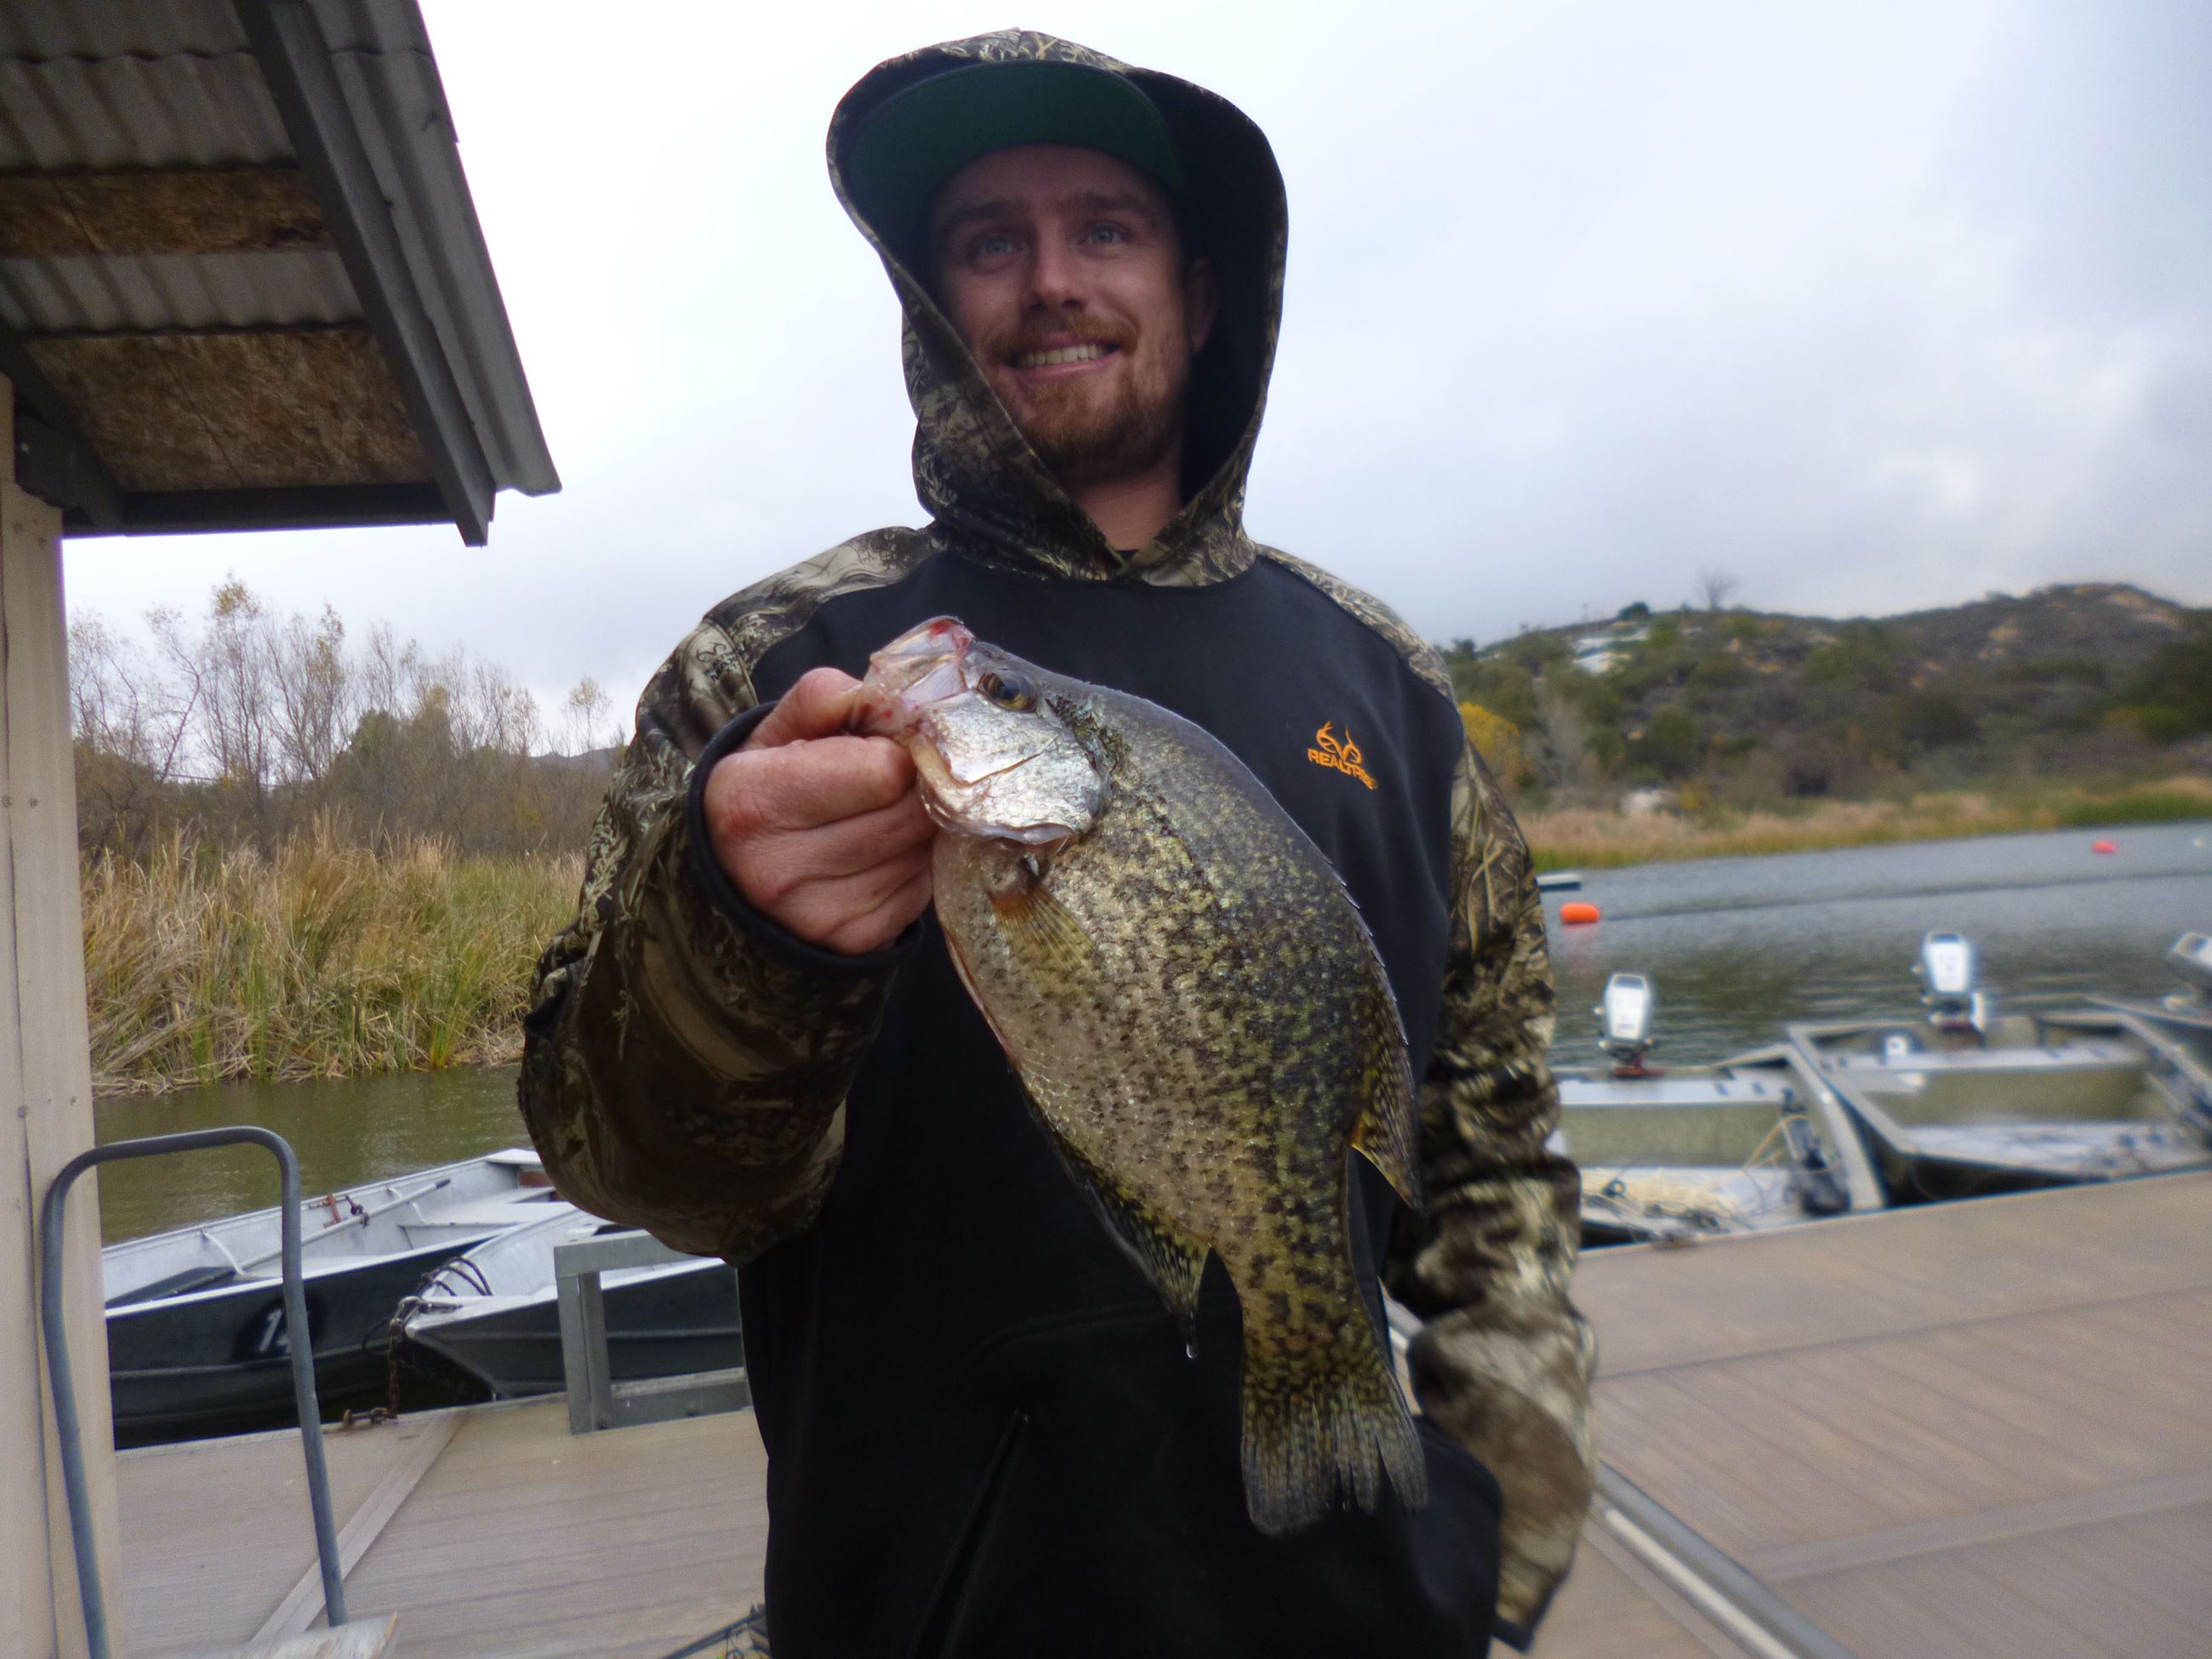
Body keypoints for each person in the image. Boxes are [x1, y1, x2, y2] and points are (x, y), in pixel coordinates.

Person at [520, 31, 1594, 1659]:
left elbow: (1495, 1155)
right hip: (940, 1614)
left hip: (1368, 1617)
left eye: (1105, 228)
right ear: (934, 308)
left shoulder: (1388, 686)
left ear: (1204, 292)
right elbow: (630, 1170)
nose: (1049, 281)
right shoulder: (776, 668)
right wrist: (742, 948)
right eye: (987, 241)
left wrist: (1499, 1550)